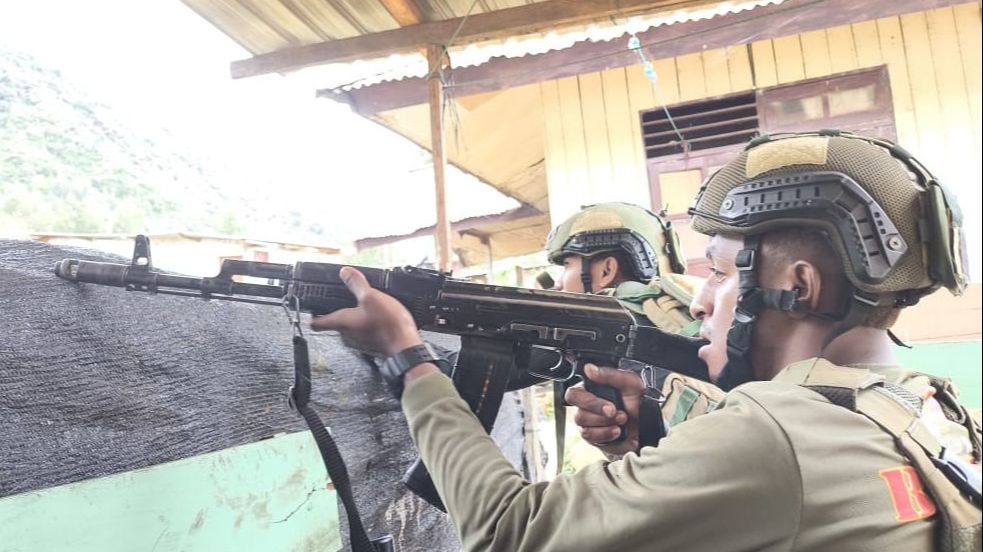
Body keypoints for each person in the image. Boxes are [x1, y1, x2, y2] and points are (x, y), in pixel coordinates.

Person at [312, 131, 981, 551]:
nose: (700, 298)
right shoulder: (927, 407)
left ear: (797, 287)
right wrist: (657, 437)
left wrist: (410, 357)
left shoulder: (774, 435)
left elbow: (511, 531)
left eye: (717, 272)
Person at [540, 202, 722, 455]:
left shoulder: (635, 333)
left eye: (567, 265)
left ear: (606, 270)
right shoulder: (694, 323)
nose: (558, 283)